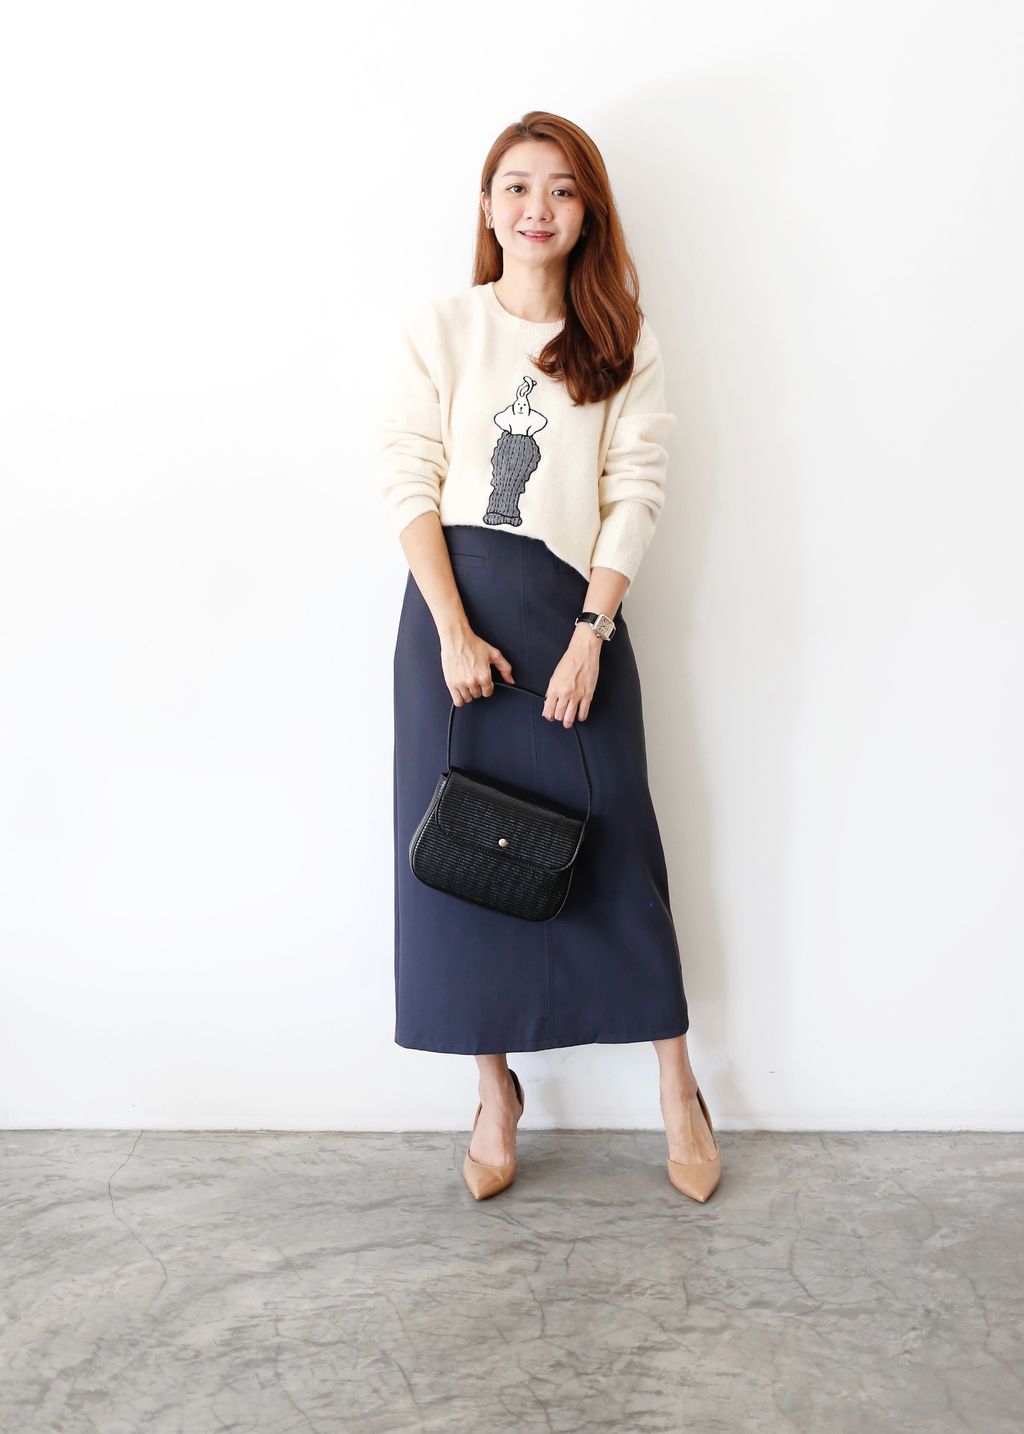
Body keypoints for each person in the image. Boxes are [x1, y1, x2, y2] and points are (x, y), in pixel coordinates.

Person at [375, 111, 721, 1203]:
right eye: (517, 187)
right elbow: (407, 474)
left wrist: (590, 635)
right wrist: (450, 628)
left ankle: (679, 1089)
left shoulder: (620, 339)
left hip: (574, 619)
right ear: (487, 207)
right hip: (451, 617)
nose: (538, 208)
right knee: (459, 857)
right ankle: (494, 1094)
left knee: (617, 845)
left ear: (587, 212)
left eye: (562, 189)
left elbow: (635, 491)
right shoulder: (441, 327)